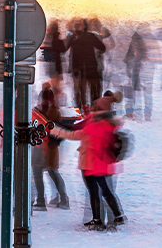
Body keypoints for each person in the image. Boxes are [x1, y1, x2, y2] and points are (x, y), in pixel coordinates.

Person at [53, 96, 126, 230]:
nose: (92, 109)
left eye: (95, 107)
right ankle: (115, 216)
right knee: (104, 191)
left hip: (91, 163)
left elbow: (75, 133)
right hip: (100, 163)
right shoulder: (108, 124)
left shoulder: (95, 125)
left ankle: (101, 219)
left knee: (96, 192)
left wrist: (56, 129)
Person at [31, 84, 69, 211]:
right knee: (52, 171)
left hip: (42, 146)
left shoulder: (44, 110)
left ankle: (41, 201)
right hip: (52, 147)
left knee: (38, 172)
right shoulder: (55, 110)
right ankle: (63, 199)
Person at [67, 20, 107, 111]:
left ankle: (83, 110)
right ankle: (94, 110)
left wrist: (75, 68)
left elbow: (74, 56)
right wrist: (99, 54)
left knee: (82, 91)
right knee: (94, 90)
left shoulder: (76, 39)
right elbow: (102, 47)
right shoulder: (90, 37)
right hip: (92, 67)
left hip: (81, 69)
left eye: (78, 25)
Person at [40, 20, 67, 104]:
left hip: (52, 65)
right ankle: (56, 101)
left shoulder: (49, 38)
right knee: (56, 85)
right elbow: (62, 49)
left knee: (56, 85)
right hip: (55, 64)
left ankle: (55, 101)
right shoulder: (55, 38)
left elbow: (45, 51)